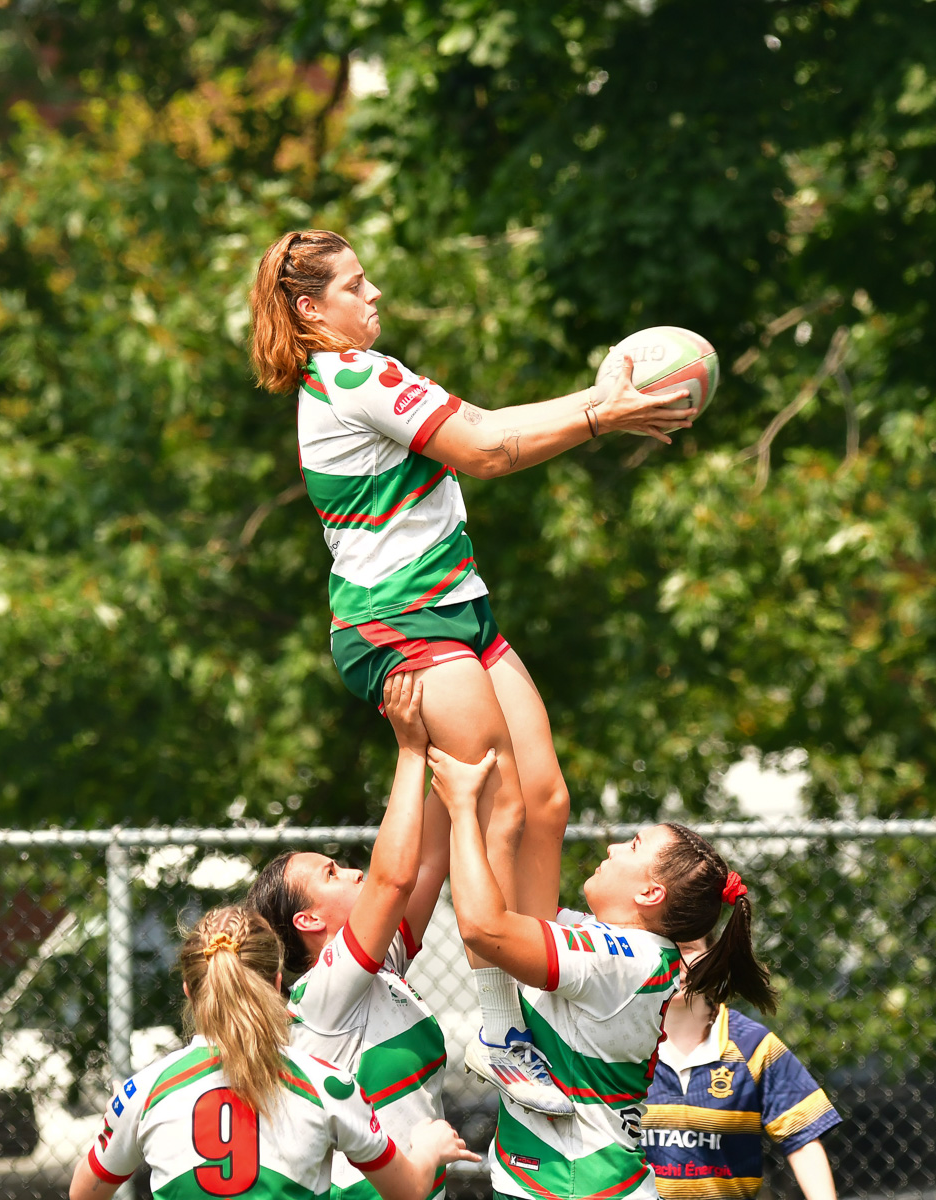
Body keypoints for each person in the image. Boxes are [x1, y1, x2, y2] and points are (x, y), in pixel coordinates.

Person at [248, 228, 697, 1112]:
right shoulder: (353, 376)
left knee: (546, 800)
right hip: (400, 623)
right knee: (487, 798)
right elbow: (487, 450)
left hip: (456, 605)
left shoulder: (366, 369)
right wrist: (607, 412)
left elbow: (487, 428)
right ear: (312, 309)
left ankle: (541, 1003)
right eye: (357, 284)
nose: (374, 295)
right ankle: (500, 1028)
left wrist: (600, 399)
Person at [425, 745, 780, 1200]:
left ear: (652, 892)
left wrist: (462, 809)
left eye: (632, 846)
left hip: (573, 1186)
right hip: (566, 1183)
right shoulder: (617, 945)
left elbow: (484, 928)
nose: (613, 846)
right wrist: (498, 672)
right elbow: (547, 812)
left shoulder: (619, 960)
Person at [68, 907, 478, 1200]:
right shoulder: (327, 1085)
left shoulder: (144, 1091)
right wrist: (428, 1148)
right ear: (278, 982)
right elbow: (404, 1193)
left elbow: (84, 1191)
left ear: (190, 991)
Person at [248, 673, 451, 1200]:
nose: (354, 873)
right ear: (308, 921)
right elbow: (394, 877)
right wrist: (409, 750)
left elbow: (427, 861)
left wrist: (448, 748)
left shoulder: (381, 965)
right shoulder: (325, 991)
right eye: (331, 874)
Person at [642, 939, 840, 1200]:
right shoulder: (611, 1046)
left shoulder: (753, 1045)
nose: (675, 960)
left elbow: (802, 1139)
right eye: (661, 946)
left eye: (687, 948)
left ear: (713, 957)